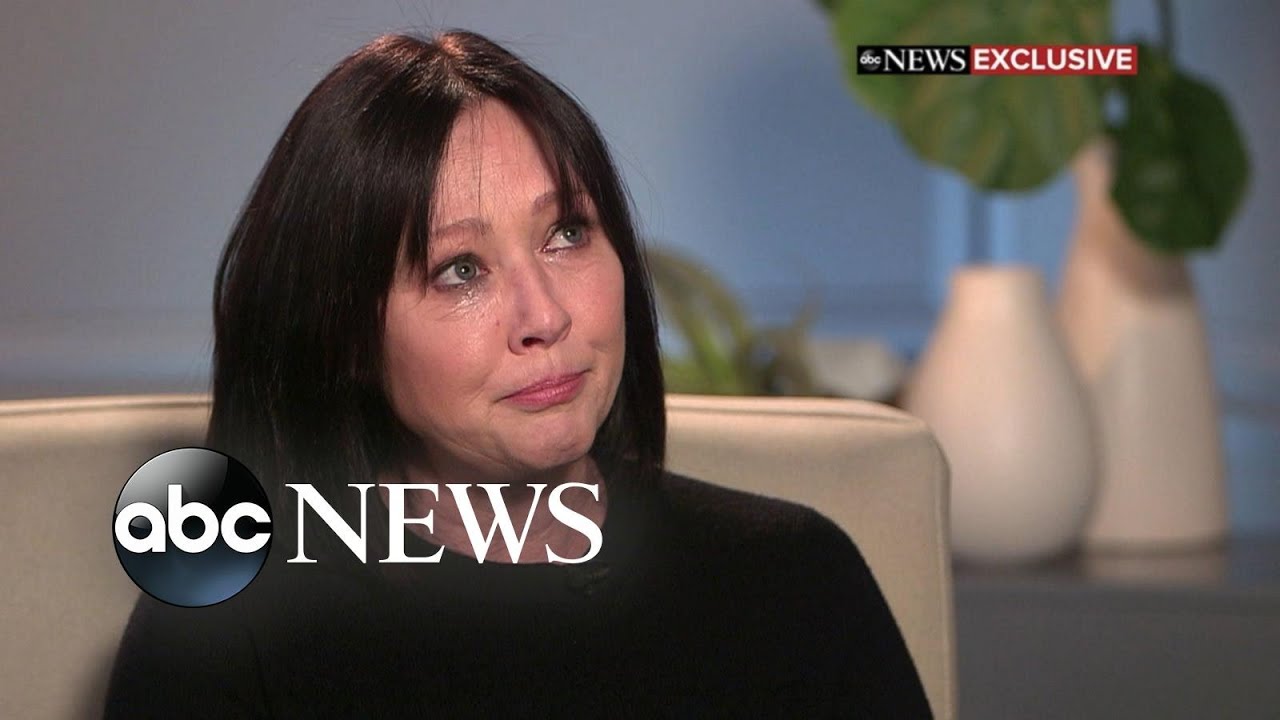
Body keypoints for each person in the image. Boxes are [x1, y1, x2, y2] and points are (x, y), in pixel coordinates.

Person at [105, 30, 931, 718]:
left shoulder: (794, 580)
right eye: (460, 270)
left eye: (567, 232)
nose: (545, 317)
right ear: (346, 336)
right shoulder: (227, 626)